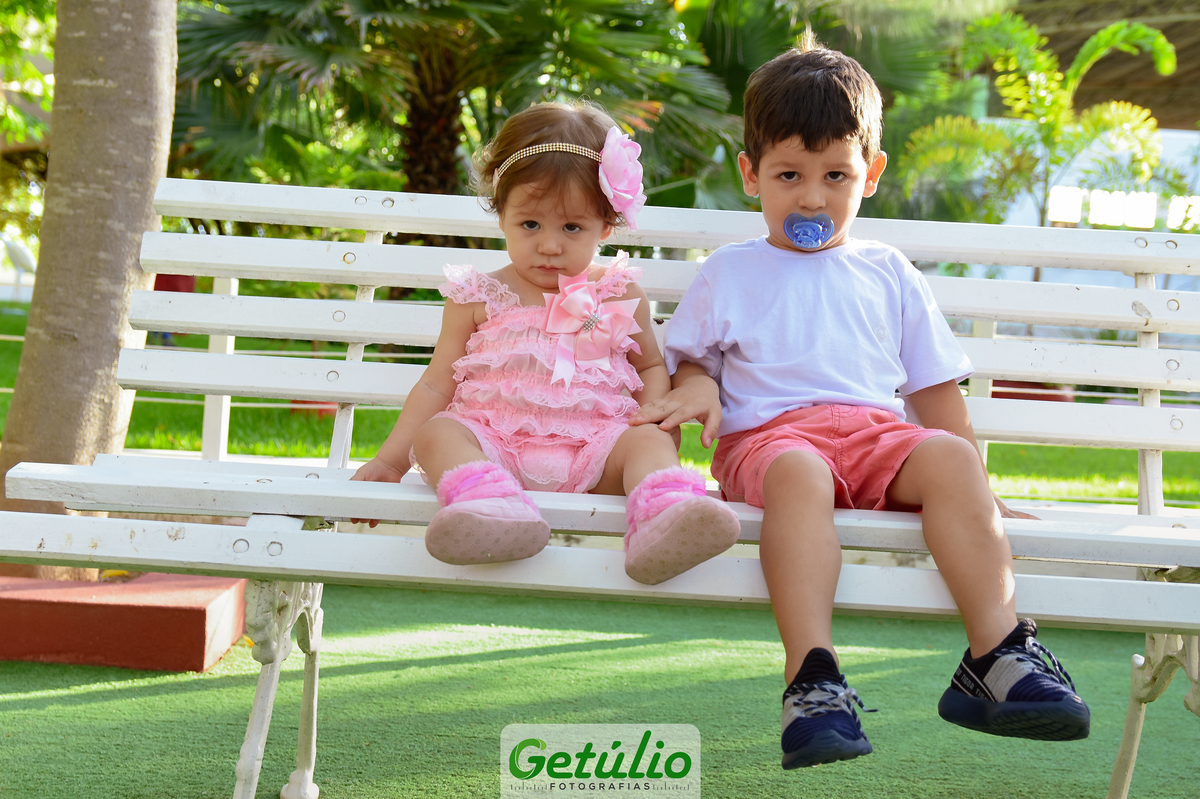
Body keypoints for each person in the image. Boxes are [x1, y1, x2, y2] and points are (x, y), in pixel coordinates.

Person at [632, 37, 1091, 768]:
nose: (812, 198)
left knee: (948, 460)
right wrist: (696, 388)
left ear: (871, 173)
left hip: (878, 438)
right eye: (789, 174)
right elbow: (692, 363)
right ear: (751, 174)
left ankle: (996, 653)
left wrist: (980, 490)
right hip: (773, 443)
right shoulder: (729, 271)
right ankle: (812, 678)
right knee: (800, 474)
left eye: (835, 175)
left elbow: (934, 393)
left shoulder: (888, 271)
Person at [352, 102, 740, 585]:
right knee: (437, 434)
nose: (549, 246)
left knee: (645, 440)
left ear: (606, 225)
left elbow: (649, 369)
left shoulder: (617, 292)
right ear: (502, 216)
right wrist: (390, 461)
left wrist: (658, 425)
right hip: (494, 448)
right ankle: (487, 506)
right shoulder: (477, 295)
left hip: (596, 449)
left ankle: (664, 516)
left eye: (571, 227)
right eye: (530, 224)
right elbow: (436, 385)